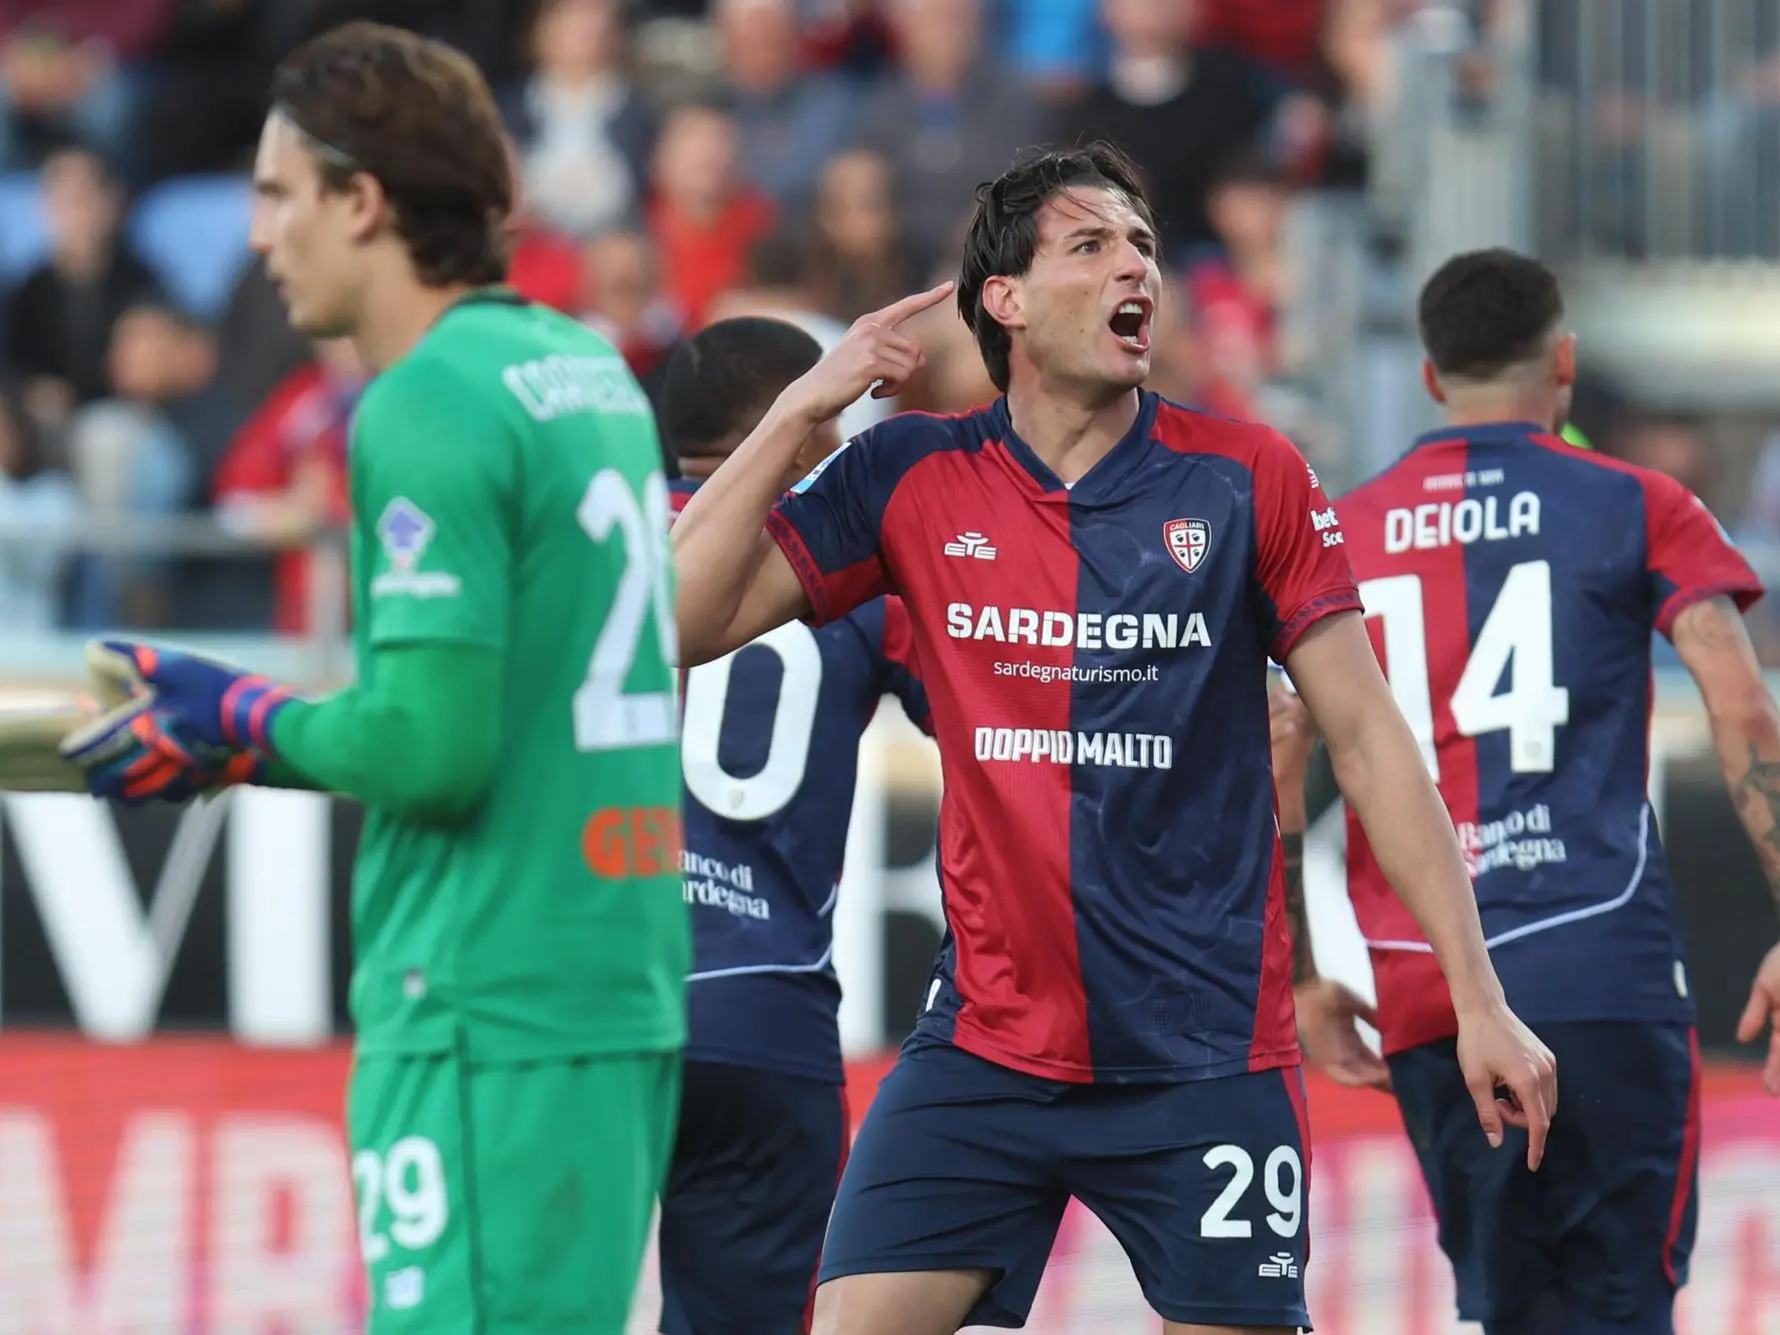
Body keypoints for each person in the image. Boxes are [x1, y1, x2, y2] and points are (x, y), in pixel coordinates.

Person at [671, 140, 1557, 1335]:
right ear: (1007, 300)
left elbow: (1366, 738)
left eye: (1142, 244)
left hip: (1203, 1062)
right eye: (1090, 245)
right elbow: (677, 622)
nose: (1135, 265)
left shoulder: (1246, 476)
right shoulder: (907, 472)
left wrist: (1478, 995)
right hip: (982, 1050)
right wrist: (797, 410)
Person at [59, 22, 687, 1333]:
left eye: (279, 193)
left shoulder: (424, 401)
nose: (257, 236)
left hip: (477, 996)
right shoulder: (585, 369)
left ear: (362, 200)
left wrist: (241, 720)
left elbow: (428, 750)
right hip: (613, 977)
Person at [1272, 247, 1780, 1335]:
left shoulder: (1340, 531)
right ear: (1563, 362)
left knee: (1514, 1313)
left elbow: (1275, 750)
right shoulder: (1637, 501)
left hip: (1425, 989)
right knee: (1620, 1307)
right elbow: (1743, 707)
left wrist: (1303, 978)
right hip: (1600, 968)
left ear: (1428, 377)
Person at [656, 315, 930, 1335]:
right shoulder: (847, 568)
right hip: (763, 1010)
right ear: (802, 429)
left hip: (587, 990)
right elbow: (998, 723)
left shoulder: (583, 546)